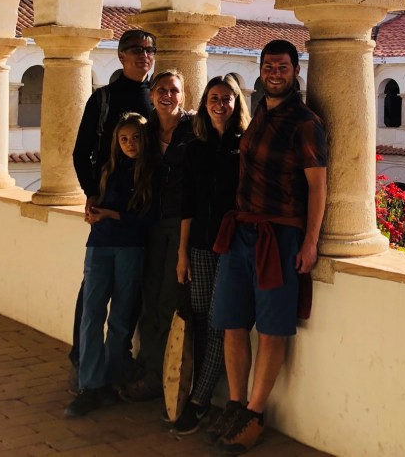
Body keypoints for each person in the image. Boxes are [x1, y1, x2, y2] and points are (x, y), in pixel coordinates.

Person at [208, 40, 328, 454]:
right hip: (241, 232)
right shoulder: (259, 112)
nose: (274, 72)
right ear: (260, 71)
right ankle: (237, 404)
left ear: (296, 70)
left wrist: (310, 240)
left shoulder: (305, 122)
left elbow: (317, 186)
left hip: (279, 236)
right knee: (232, 322)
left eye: (282, 66)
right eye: (268, 66)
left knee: (273, 329)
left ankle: (255, 415)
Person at [68, 29, 156, 387]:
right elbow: (80, 151)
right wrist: (91, 192)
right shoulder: (103, 98)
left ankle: (116, 361)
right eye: (135, 50)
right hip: (108, 206)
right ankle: (83, 360)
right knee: (93, 293)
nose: (144, 56)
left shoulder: (157, 96)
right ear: (121, 57)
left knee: (129, 292)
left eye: (150, 50)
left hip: (145, 206)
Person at [171, 74, 251, 435]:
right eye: (214, 98)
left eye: (227, 98)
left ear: (237, 103)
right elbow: (187, 204)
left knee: (220, 321)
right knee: (201, 319)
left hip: (233, 246)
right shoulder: (195, 147)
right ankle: (195, 391)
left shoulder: (246, 146)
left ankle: (199, 401)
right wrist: (182, 253)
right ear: (204, 103)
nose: (221, 104)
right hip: (201, 245)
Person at [65, 112, 154, 418]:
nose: (130, 144)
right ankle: (90, 384)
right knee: (91, 315)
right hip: (100, 246)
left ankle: (110, 381)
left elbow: (147, 218)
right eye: (124, 138)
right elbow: (100, 203)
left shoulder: (151, 172)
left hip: (131, 247)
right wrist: (93, 212)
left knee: (120, 319)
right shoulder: (109, 170)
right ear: (117, 142)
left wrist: (111, 215)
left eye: (136, 138)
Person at [124, 69, 195, 400]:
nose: (168, 95)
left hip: (181, 227)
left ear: (184, 95)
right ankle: (146, 367)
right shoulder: (144, 131)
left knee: (167, 300)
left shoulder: (194, 129)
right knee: (146, 299)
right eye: (161, 90)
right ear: (152, 95)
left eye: (174, 90)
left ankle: (157, 376)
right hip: (148, 225)